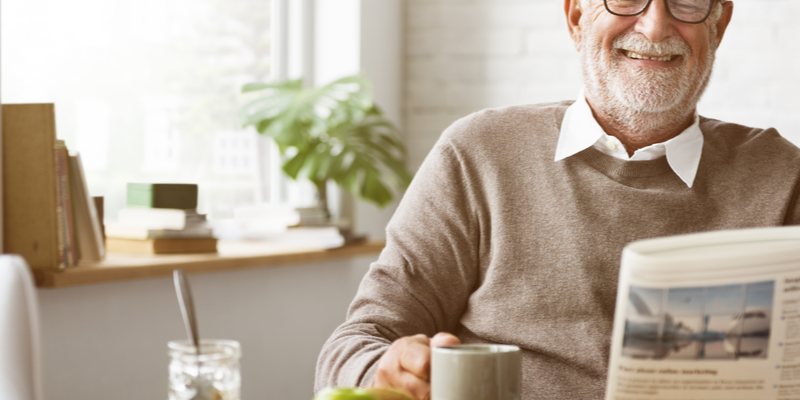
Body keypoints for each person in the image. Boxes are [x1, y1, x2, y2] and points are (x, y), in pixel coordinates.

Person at [316, 0, 800, 399]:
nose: (655, 26)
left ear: (719, 24)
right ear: (576, 16)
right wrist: (386, 371)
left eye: (687, 2)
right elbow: (355, 344)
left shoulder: (783, 175)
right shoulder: (478, 153)